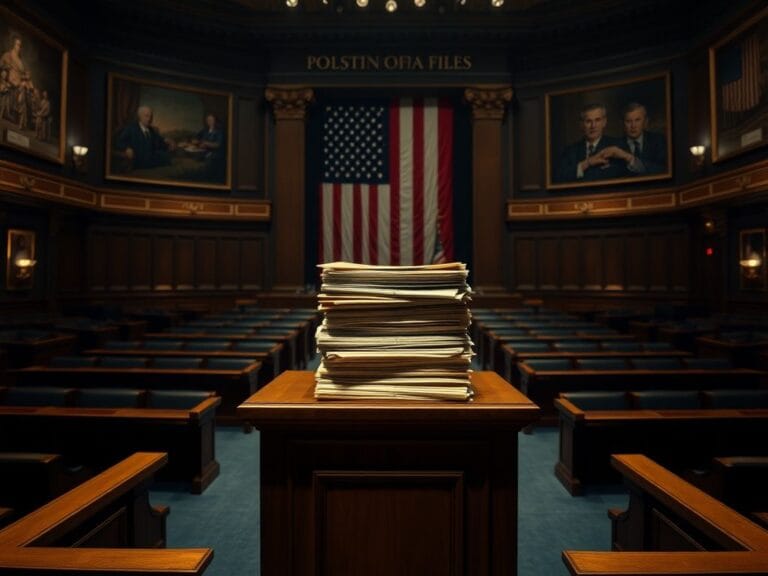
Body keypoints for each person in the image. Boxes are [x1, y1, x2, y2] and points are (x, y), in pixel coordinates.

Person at [554, 103, 625, 183]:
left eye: (597, 120)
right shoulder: (570, 151)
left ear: (604, 122)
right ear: (581, 125)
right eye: (588, 121)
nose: (593, 126)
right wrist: (587, 163)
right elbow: (559, 178)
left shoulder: (617, 146)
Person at [597, 102, 668, 176]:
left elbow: (663, 169)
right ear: (622, 124)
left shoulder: (658, 140)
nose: (633, 126)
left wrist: (629, 158)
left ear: (645, 122)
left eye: (637, 120)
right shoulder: (614, 146)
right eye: (628, 121)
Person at [115, 105, 175, 170]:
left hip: (152, 158)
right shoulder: (131, 128)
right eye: (146, 116)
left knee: (166, 158)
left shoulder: (151, 130)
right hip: (139, 158)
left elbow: (159, 140)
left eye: (151, 117)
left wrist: (166, 140)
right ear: (140, 117)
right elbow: (119, 142)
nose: (149, 119)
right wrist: (127, 148)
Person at [193, 112, 225, 180]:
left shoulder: (219, 131)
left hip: (215, 153)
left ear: (215, 121)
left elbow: (218, 144)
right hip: (204, 151)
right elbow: (196, 138)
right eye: (208, 120)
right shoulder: (205, 130)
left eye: (211, 120)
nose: (209, 122)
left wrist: (205, 143)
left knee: (207, 166)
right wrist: (196, 141)